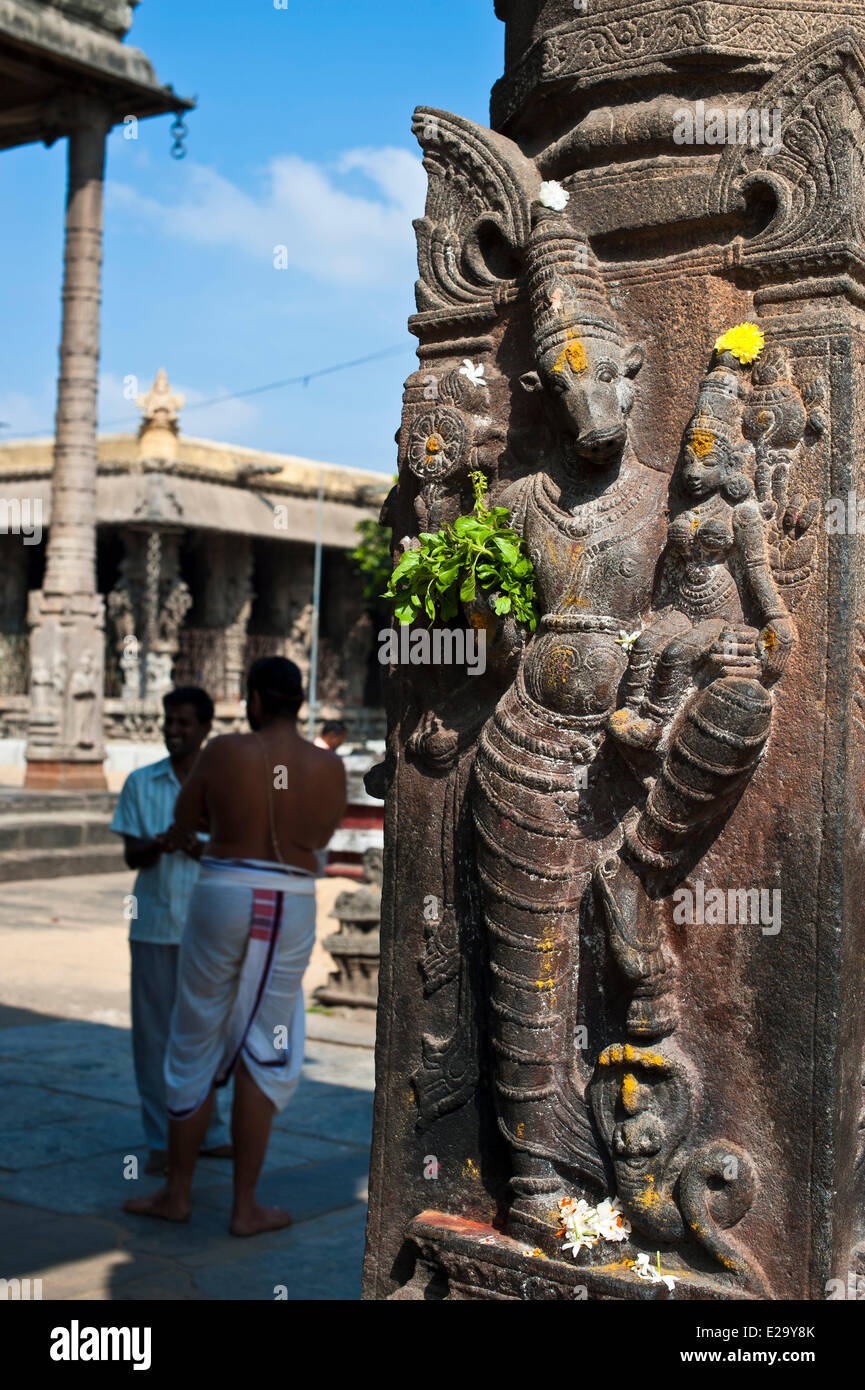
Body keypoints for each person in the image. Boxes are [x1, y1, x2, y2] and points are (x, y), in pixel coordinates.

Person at [123, 657, 346, 1236]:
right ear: (298, 701)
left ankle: (177, 1192)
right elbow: (318, 839)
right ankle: (244, 1206)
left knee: (193, 1032)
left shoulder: (223, 751)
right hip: (289, 898)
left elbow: (185, 815)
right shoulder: (328, 765)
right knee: (265, 1043)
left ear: (253, 698)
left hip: (221, 892)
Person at [110, 686, 231, 1176]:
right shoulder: (142, 782)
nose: (174, 731)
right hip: (155, 926)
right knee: (155, 1037)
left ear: (204, 729)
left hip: (208, 929)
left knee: (209, 1036)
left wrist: (196, 847)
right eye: (169, 722)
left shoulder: (223, 785)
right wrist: (162, 843)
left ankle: (212, 1132)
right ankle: (162, 1138)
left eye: (184, 723)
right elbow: (131, 853)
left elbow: (236, 852)